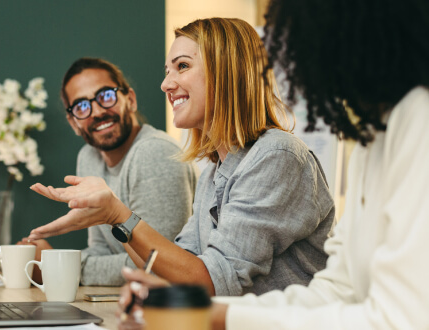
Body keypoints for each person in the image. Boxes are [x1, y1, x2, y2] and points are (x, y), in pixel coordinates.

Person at [120, 1, 429, 329]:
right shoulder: (374, 137)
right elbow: (337, 290)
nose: (292, 57)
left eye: (182, 67)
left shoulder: (416, 120)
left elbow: (401, 319)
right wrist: (203, 312)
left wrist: (119, 216)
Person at [27, 18, 335, 296]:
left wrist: (117, 214)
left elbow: (212, 281)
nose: (165, 84)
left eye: (183, 66)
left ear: (224, 71)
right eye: (167, 71)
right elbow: (175, 267)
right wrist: (112, 219)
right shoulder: (214, 172)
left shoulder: (276, 155)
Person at [21, 58, 197, 286]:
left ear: (130, 100)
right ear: (74, 122)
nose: (96, 112)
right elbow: (101, 250)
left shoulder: (155, 152)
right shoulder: (88, 157)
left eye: (105, 96)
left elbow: (158, 267)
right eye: (82, 106)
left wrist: (58, 266)